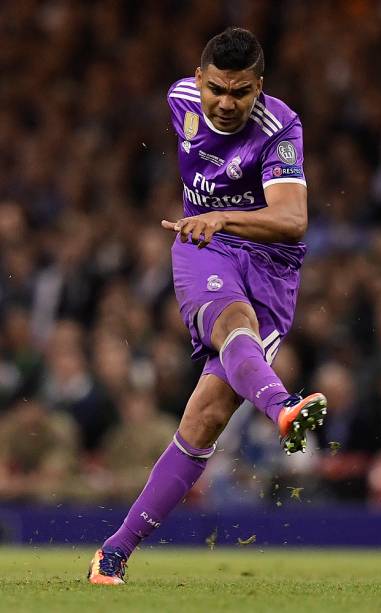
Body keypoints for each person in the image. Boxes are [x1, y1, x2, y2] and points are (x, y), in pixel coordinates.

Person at [88, 28, 327, 585]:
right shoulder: (180, 100)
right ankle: (283, 409)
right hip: (204, 248)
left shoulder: (280, 126)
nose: (226, 102)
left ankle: (113, 552)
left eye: (241, 92)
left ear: (259, 89)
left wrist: (221, 214)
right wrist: (211, 224)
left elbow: (293, 220)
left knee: (206, 418)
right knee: (232, 323)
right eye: (217, 88)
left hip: (270, 267)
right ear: (199, 80)